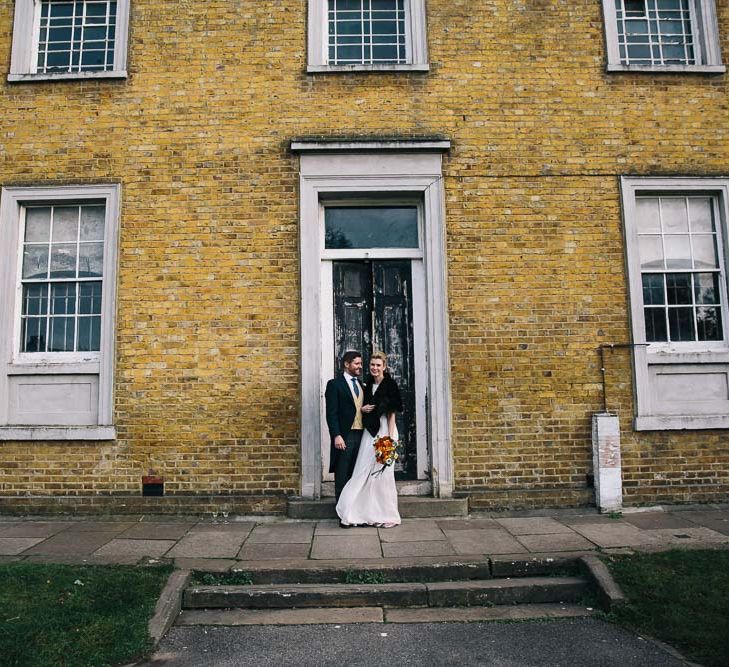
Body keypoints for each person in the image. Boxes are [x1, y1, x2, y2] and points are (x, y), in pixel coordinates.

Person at [336, 352, 402, 529]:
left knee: (383, 474)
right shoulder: (367, 384)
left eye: (378, 365)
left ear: (384, 367)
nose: (374, 368)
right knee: (362, 470)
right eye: (372, 365)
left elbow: (391, 415)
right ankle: (355, 511)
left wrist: (388, 439)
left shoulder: (390, 385)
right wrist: (363, 409)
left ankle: (387, 514)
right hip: (370, 432)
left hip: (385, 432)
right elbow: (359, 406)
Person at [325, 351, 365, 507]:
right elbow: (331, 413)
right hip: (345, 435)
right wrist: (337, 435)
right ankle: (342, 512)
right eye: (356, 363)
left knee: (357, 474)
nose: (359, 366)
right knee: (342, 475)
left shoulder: (362, 385)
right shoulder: (334, 385)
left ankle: (355, 511)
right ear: (346, 364)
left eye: (360, 363)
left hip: (362, 434)